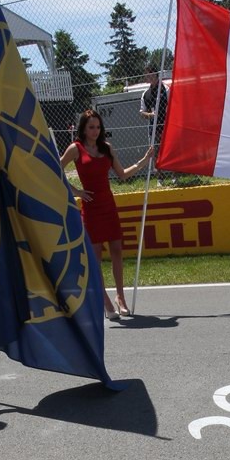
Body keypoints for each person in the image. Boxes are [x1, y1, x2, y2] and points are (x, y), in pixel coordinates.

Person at [61, 109, 152, 319]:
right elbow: (56, 169)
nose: (95, 131)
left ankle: (121, 297)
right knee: (95, 258)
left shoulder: (107, 148)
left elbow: (122, 174)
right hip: (91, 209)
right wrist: (76, 192)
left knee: (117, 251)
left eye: (98, 127)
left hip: (108, 205)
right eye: (91, 127)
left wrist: (144, 161)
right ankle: (105, 300)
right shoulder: (75, 149)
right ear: (83, 128)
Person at [140, 65, 172, 186]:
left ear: (156, 75)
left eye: (151, 75)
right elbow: (142, 112)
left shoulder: (165, 89)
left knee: (170, 150)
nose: (149, 78)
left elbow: (173, 104)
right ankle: (160, 179)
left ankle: (174, 176)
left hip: (167, 125)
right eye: (147, 76)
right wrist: (150, 115)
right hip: (153, 128)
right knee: (155, 152)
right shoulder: (145, 94)